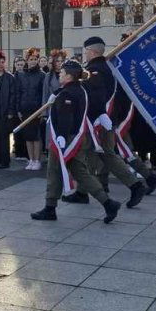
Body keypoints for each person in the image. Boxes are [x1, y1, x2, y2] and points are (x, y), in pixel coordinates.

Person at [30, 59, 121, 224]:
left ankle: (50, 209)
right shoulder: (78, 89)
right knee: (81, 173)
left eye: (63, 73)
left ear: (70, 76)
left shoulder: (67, 94)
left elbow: (66, 118)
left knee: (54, 171)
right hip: (77, 138)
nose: (60, 75)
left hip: (66, 139)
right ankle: (108, 203)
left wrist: (61, 137)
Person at [64, 37, 147, 208]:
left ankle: (135, 185)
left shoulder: (96, 70)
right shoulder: (102, 67)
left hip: (98, 122)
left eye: (86, 50)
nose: (85, 53)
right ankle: (82, 192)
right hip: (102, 120)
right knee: (94, 156)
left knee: (104, 155)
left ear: (92, 51)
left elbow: (96, 97)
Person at [17, 48, 45, 170]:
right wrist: (18, 109)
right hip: (25, 108)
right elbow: (18, 93)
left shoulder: (42, 75)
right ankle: (31, 159)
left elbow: (43, 93)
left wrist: (43, 110)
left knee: (36, 136)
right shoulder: (21, 75)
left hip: (37, 109)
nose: (33, 61)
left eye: (35, 59)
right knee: (28, 136)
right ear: (27, 60)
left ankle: (37, 160)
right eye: (31, 59)